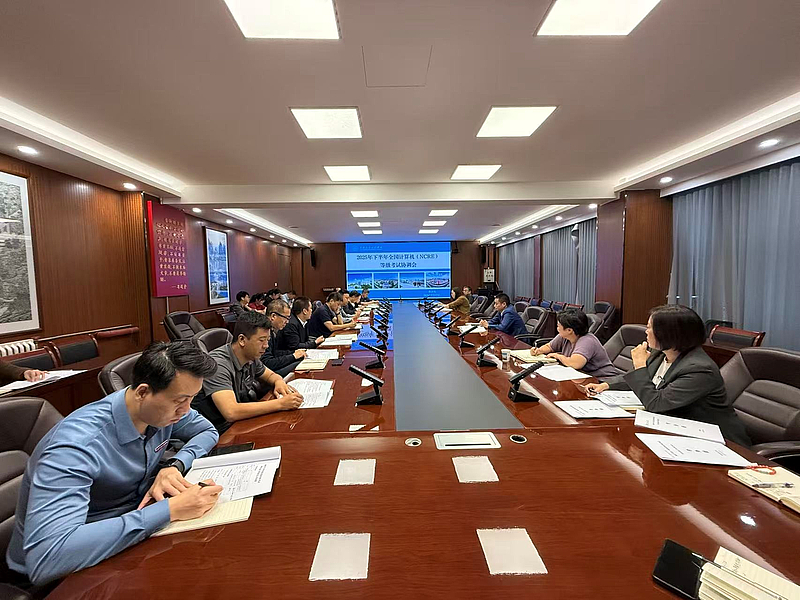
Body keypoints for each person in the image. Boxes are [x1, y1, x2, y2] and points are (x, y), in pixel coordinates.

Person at [7, 342, 223, 585]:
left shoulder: (160, 410)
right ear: (143, 392)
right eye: (180, 400)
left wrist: (174, 465)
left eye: (191, 399)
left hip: (128, 530)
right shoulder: (76, 446)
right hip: (68, 570)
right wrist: (170, 510)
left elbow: (207, 431)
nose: (185, 410)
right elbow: (48, 557)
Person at [585, 305, 751, 446]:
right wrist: (606, 385)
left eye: (650, 328)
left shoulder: (699, 369)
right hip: (673, 427)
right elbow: (638, 378)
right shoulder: (661, 353)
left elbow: (656, 404)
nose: (646, 332)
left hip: (716, 441)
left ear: (669, 334)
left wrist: (640, 365)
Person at [191, 312, 304, 433]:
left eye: (268, 340)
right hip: (216, 431)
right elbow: (231, 412)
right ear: (242, 340)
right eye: (261, 340)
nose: (266, 346)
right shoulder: (218, 365)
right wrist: (281, 404)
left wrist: (279, 382)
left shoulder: (251, 357)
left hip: (237, 424)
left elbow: (271, 375)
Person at [530, 308, 620, 378]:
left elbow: (575, 364)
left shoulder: (587, 341)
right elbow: (550, 346)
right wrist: (539, 350)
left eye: (558, 326)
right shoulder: (564, 336)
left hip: (602, 379)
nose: (557, 328)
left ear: (569, 330)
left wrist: (558, 356)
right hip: (582, 376)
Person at [262, 299, 306, 376]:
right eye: (286, 317)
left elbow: (275, 353)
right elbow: (267, 363)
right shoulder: (263, 331)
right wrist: (293, 356)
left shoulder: (273, 330)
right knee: (300, 364)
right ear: (273, 316)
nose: (287, 322)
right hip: (265, 373)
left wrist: (293, 353)